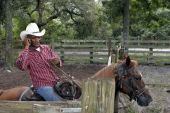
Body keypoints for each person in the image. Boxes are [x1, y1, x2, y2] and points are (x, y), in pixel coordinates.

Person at [16, 23, 63, 101]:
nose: (37, 40)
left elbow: (58, 62)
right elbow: (22, 66)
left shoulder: (46, 48)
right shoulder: (25, 53)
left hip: (55, 81)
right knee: (58, 102)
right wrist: (26, 47)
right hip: (42, 86)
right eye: (34, 38)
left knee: (70, 93)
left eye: (39, 37)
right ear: (28, 39)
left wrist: (57, 62)